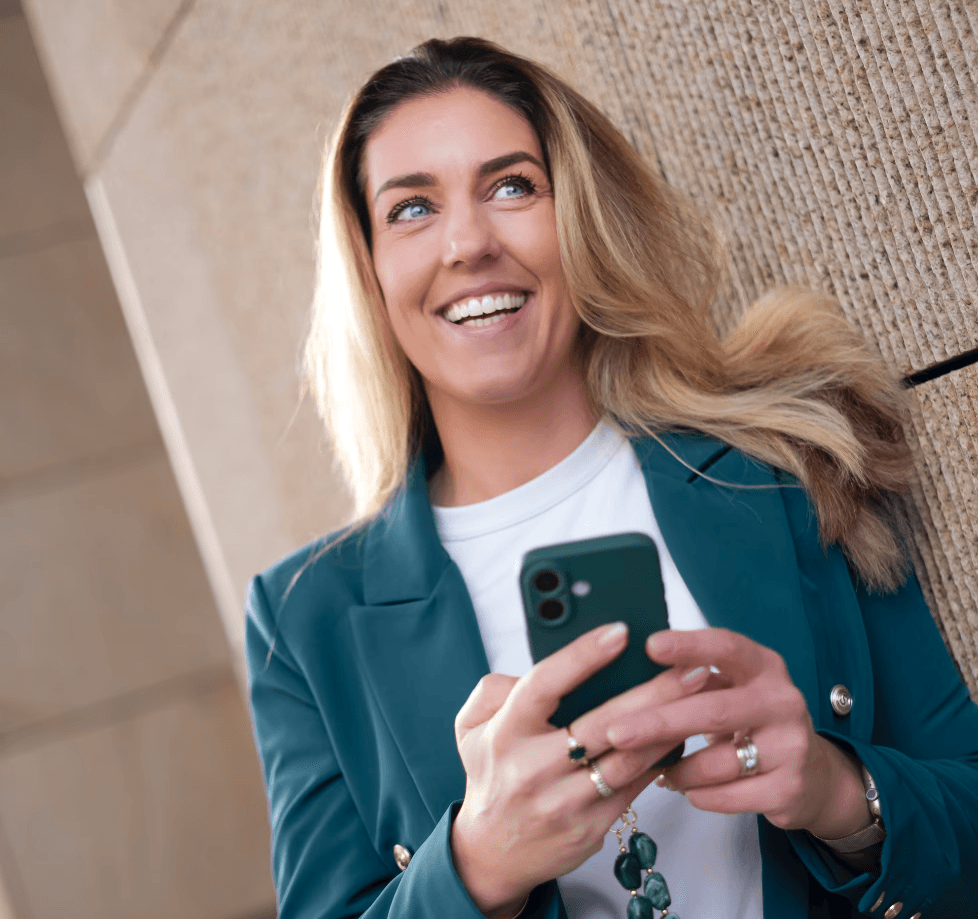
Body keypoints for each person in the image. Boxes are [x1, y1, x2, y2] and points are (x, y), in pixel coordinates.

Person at [244, 36, 978, 919]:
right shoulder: (303, 620)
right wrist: (475, 863)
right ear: (367, 269)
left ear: (582, 217)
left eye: (512, 187)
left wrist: (836, 790)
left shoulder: (783, 463)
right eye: (411, 208)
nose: (469, 242)